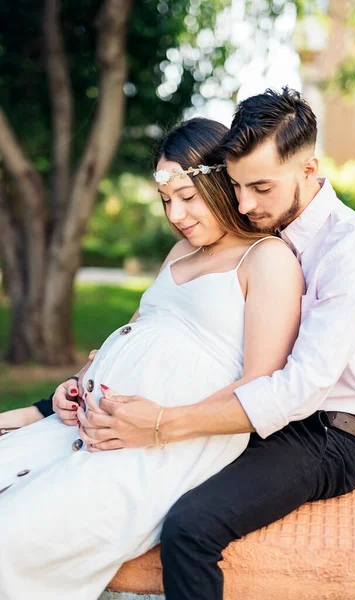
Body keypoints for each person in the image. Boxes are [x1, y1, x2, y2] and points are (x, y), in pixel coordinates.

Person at [35, 87, 355, 600]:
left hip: (325, 437)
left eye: (261, 188)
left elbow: (299, 389)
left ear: (310, 170)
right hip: (253, 413)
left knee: (189, 527)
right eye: (236, 186)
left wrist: (162, 424)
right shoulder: (263, 235)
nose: (246, 204)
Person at [0, 117, 304, 600]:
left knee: (12, 536)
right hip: (86, 424)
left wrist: (158, 423)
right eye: (166, 201)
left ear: (223, 182)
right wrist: (74, 383)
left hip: (162, 445)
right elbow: (135, 331)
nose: (176, 214)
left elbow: (261, 383)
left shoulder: (266, 259)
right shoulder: (180, 252)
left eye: (188, 197)